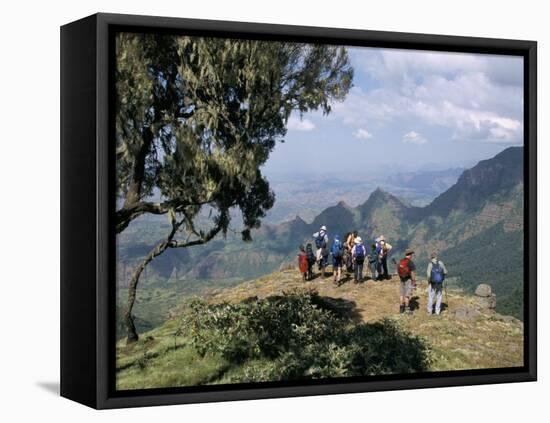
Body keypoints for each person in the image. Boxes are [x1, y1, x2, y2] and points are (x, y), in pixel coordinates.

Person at [397, 248, 417, 314]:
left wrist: (401, 277)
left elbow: (398, 270)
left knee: (401, 294)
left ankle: (401, 308)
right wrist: (413, 282)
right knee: (407, 295)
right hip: (408, 280)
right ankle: (407, 310)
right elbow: (413, 273)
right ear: (410, 255)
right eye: (412, 254)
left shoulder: (401, 261)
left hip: (401, 279)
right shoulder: (410, 263)